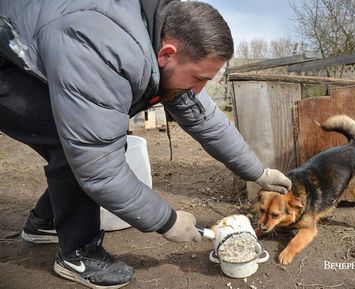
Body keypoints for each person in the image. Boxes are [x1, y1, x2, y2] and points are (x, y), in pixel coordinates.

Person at [0, 0, 292, 288]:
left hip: (41, 45)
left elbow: (207, 120)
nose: (199, 90)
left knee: (92, 135)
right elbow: (99, 167)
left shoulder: (164, 45)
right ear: (167, 54)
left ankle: (45, 222)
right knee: (74, 140)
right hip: (7, 61)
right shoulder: (102, 49)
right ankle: (77, 254)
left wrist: (257, 172)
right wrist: (167, 220)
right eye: (198, 79)